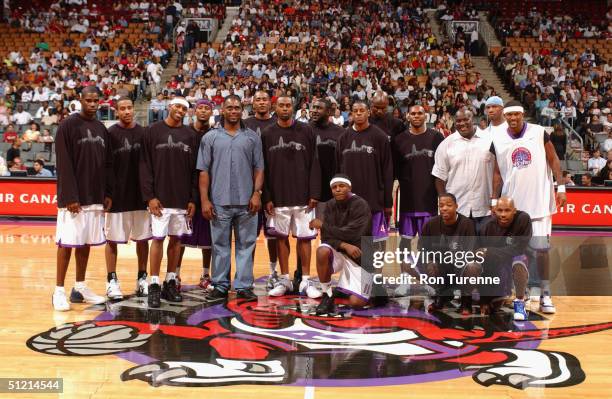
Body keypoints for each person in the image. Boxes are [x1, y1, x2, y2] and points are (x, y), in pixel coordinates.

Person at [491, 100, 566, 314]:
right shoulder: (498, 139)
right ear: (504, 117)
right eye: (509, 115)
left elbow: (554, 160)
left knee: (542, 250)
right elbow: (497, 173)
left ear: (522, 115)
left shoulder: (539, 132)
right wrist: (494, 201)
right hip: (514, 208)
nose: (513, 118)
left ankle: (545, 293)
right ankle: (519, 297)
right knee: (518, 253)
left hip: (540, 202)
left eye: (516, 114)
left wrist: (561, 188)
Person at [198, 95, 264, 301]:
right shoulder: (210, 137)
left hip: (247, 203)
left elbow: (259, 168)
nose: (233, 111)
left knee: (246, 245)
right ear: (222, 110)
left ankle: (244, 285)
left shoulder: (252, 137)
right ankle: (220, 284)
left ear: (242, 110)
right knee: (220, 246)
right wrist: (205, 200)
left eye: (237, 108)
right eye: (230, 108)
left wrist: (256, 193)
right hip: (219, 201)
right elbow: (203, 171)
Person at [53, 86, 112, 311]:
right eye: (88, 100)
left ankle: (79, 287)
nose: (93, 104)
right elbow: (64, 164)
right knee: (67, 243)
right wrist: (70, 195)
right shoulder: (67, 126)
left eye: (96, 100)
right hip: (73, 199)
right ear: (81, 100)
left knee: (85, 243)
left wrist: (107, 193)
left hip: (95, 196)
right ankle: (58, 290)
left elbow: (107, 164)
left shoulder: (100, 128)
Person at [261, 95, 321, 298]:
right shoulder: (267, 133)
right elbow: (264, 168)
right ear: (275, 108)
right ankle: (285, 279)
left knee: (305, 238)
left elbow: (315, 161)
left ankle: (304, 280)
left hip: (304, 197)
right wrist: (266, 196)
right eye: (281, 105)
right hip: (277, 197)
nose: (285, 108)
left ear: (293, 108)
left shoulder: (307, 130)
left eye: (288, 105)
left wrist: (314, 192)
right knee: (280, 239)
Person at [140, 97, 198, 308]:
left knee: (176, 241)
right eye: (177, 106)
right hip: (160, 199)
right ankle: (154, 284)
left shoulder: (190, 135)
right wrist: (150, 197)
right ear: (168, 107)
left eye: (184, 108)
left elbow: (195, 170)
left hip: (182, 199)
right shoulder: (152, 131)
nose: (180, 110)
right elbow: (144, 165)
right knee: (157, 240)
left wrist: (193, 198)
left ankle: (170, 282)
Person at [392, 105, 444, 295]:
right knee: (405, 242)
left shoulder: (437, 137)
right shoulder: (399, 140)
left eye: (420, 113)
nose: (416, 116)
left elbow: (443, 166)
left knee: (428, 244)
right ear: (407, 116)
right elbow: (394, 169)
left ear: (426, 115)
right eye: (413, 113)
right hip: (406, 199)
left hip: (430, 199)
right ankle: (405, 279)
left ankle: (429, 280)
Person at [104, 97, 150, 300]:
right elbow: (105, 166)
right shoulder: (110, 134)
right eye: (122, 109)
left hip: (140, 197)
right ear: (116, 112)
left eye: (129, 107)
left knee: (143, 239)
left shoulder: (143, 133)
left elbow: (149, 165)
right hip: (117, 197)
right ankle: (111, 281)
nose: (127, 111)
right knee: (112, 240)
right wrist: (106, 193)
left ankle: (142, 278)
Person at [311, 174, 373, 314]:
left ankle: (370, 284)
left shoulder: (361, 204)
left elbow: (354, 235)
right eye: (334, 187)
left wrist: (323, 226)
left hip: (360, 255)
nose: (337, 190)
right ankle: (328, 295)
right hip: (342, 250)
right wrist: (344, 245)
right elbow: (326, 238)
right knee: (322, 251)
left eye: (341, 186)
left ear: (349, 188)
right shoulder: (330, 205)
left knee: (356, 303)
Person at [336, 100, 393, 241]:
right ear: (352, 114)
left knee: (377, 242)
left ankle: (376, 264)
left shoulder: (380, 137)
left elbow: (387, 170)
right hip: (349, 202)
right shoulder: (343, 138)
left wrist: (387, 202)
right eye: (356, 111)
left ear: (368, 112)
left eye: (362, 110)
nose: (359, 113)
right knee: (351, 241)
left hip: (374, 200)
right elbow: (337, 170)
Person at [469, 196, 532, 321]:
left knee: (519, 260)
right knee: (494, 305)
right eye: (500, 210)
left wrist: (491, 251)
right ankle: (492, 296)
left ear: (514, 210)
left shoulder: (523, 219)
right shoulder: (486, 227)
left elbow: (519, 248)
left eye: (507, 210)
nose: (503, 214)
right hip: (496, 267)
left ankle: (520, 302)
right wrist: (484, 300)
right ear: (494, 211)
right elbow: (481, 257)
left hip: (514, 258)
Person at [433, 108, 494, 232]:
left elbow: (499, 172)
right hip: (458, 208)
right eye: (458, 121)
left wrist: (496, 199)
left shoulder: (490, 140)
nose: (462, 123)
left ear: (473, 119)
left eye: (466, 119)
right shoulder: (446, 144)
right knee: (459, 249)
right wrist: (444, 202)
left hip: (485, 207)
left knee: (483, 249)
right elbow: (439, 176)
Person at [177, 99, 214, 290]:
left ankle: (206, 274)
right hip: (185, 189)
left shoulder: (216, 134)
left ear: (212, 112)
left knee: (209, 237)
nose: (203, 111)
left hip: (209, 189)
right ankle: (175, 275)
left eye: (207, 108)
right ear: (194, 111)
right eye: (200, 107)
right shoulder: (184, 133)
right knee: (181, 235)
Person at [243, 90, 278, 287]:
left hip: (273, 184)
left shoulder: (277, 123)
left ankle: (273, 272)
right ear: (252, 104)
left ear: (270, 103)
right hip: (250, 185)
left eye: (265, 99)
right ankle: (247, 273)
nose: (262, 102)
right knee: (249, 235)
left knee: (273, 233)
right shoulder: (245, 124)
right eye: (258, 99)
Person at [419, 193, 476, 312]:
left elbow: (470, 253)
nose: (444, 208)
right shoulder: (430, 224)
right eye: (441, 205)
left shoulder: (467, 224)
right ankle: (441, 295)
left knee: (472, 266)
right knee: (412, 263)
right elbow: (423, 249)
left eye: (449, 205)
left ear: (456, 206)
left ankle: (466, 301)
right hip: (440, 266)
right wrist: (429, 262)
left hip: (459, 267)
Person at [310, 97, 345, 203]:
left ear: (329, 111)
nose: (315, 111)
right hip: (310, 190)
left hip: (333, 188)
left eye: (319, 108)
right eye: (314, 107)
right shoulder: (304, 130)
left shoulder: (341, 132)